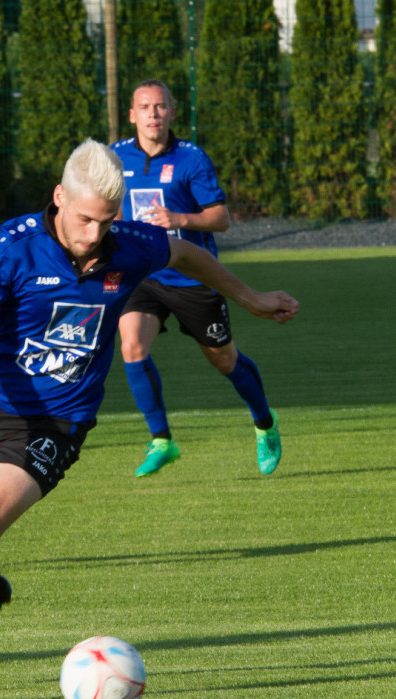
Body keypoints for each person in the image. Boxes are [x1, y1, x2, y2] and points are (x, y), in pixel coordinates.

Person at [0, 139, 297, 699]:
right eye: (84, 218)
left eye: (106, 222)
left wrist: (250, 298)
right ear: (58, 197)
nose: (93, 234)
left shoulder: (127, 246)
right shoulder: (11, 249)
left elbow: (185, 254)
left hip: (58, 422)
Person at [112, 79, 282, 478]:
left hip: (193, 278)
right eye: (145, 107)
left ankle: (265, 422)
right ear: (132, 115)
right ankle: (162, 441)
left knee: (224, 359)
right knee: (132, 345)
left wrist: (180, 219)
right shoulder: (115, 156)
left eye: (160, 106)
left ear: (172, 111)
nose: (153, 114)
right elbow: (112, 207)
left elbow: (219, 218)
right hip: (144, 275)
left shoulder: (191, 158)